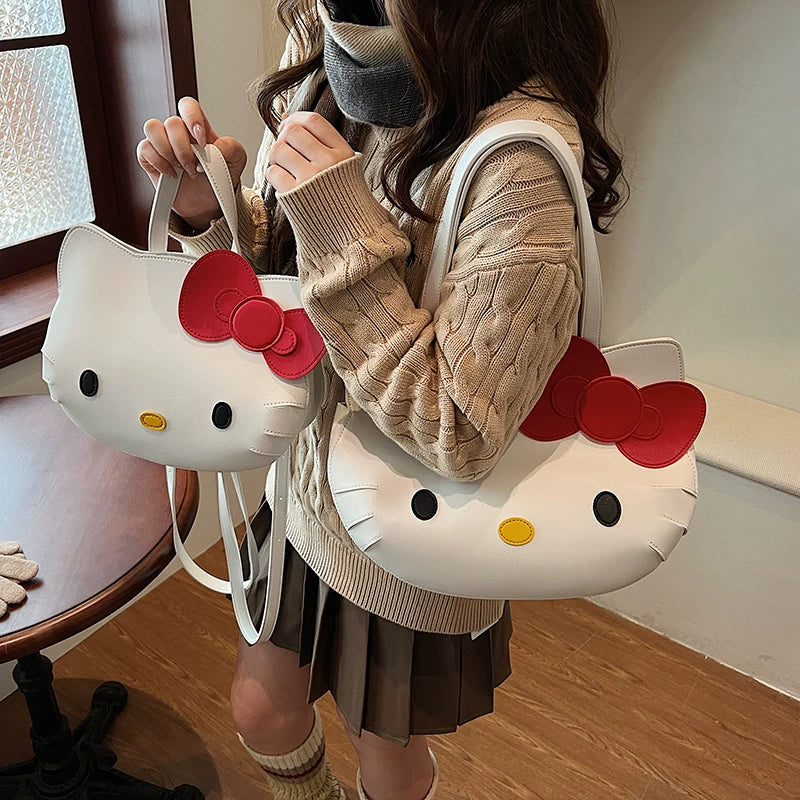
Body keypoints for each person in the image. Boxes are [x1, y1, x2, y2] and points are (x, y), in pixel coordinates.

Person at [136, 1, 626, 797]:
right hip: (301, 502)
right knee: (261, 712)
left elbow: (459, 427)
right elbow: (291, 288)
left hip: (407, 537)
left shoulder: (520, 163)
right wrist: (212, 210)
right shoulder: (334, 46)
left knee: (388, 764)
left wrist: (338, 221)